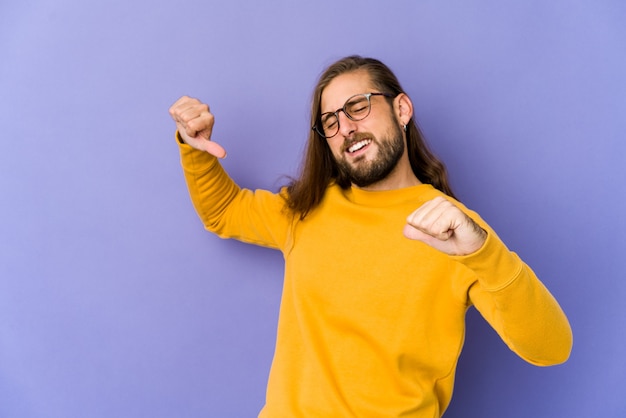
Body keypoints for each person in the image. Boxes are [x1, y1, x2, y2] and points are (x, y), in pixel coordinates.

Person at [169, 55, 572, 417]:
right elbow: (223, 212)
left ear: (401, 108)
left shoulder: (455, 230)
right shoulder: (307, 208)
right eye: (331, 121)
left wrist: (482, 252)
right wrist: (194, 146)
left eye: (358, 107)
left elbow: (551, 348)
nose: (346, 128)